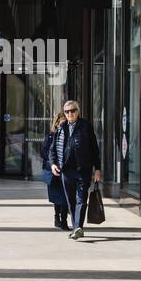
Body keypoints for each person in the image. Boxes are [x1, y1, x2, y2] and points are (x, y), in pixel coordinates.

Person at [49, 99, 101, 240]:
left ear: (78, 112)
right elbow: (52, 149)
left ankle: (78, 227)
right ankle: (76, 227)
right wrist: (53, 164)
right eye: (67, 111)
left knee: (81, 199)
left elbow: (94, 148)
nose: (70, 113)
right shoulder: (61, 127)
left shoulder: (85, 126)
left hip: (83, 170)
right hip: (66, 171)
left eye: (73, 110)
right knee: (71, 200)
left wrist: (98, 168)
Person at [41, 110, 70, 230]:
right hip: (54, 172)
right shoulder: (51, 136)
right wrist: (54, 163)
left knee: (64, 197)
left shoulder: (69, 136)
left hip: (66, 171)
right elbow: (44, 153)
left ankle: (63, 220)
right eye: (61, 122)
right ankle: (57, 218)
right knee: (57, 198)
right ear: (57, 123)